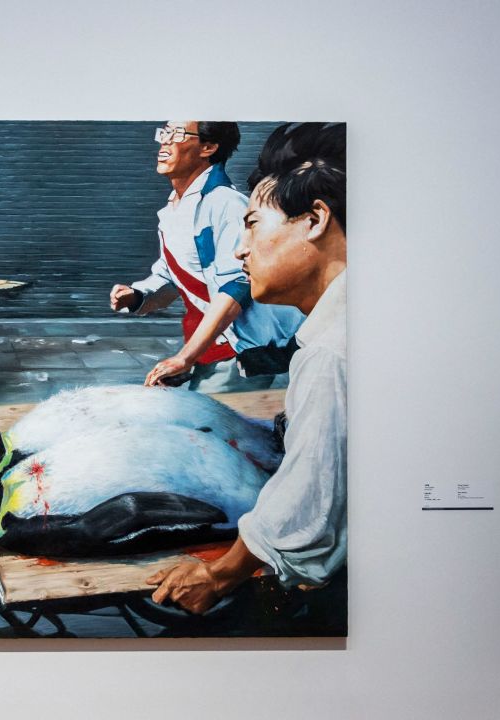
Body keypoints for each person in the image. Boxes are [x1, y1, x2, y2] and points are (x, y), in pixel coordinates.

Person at [146, 153, 347, 632]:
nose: (241, 250)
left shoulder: (331, 355)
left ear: (316, 219)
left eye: (253, 226)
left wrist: (220, 574)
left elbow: (309, 503)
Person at [109, 121, 303, 392]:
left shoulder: (225, 204)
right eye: (163, 134)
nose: (164, 143)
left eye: (175, 135)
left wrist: (183, 358)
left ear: (209, 147)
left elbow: (237, 286)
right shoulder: (173, 209)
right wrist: (137, 295)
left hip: (241, 352)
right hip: (207, 347)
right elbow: (172, 276)